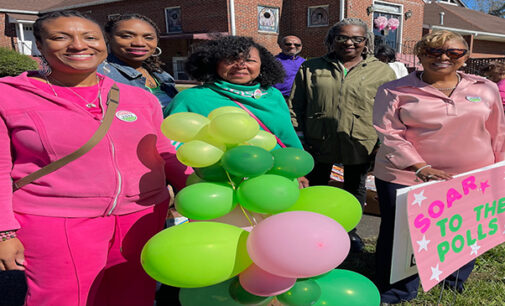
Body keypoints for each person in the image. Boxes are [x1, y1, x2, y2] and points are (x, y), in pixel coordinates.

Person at [0, 11, 190, 306]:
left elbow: (162, 150)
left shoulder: (139, 97)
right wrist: (3, 232)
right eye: (60, 37)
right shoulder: (9, 96)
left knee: (134, 296)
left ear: (103, 44)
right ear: (39, 44)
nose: (78, 45)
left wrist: (196, 185)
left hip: (142, 216)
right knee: (63, 299)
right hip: (56, 220)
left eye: (90, 37)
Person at [373, 30, 505, 304]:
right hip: (408, 176)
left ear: (465, 58)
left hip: (471, 178)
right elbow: (389, 133)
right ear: (420, 55)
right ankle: (398, 290)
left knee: (463, 230)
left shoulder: (485, 88)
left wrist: (499, 171)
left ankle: (453, 280)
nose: (443, 57)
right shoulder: (393, 89)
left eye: (453, 53)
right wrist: (420, 166)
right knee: (401, 237)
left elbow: (498, 132)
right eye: (433, 52)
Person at [288, 18, 396, 251]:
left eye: (357, 39)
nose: (349, 43)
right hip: (317, 142)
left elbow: (390, 111)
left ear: (366, 41)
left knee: (354, 189)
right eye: (342, 37)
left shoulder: (382, 71)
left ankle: (349, 231)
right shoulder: (312, 67)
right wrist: (300, 139)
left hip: (360, 143)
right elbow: (296, 104)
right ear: (332, 39)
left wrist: (381, 143)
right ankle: (314, 231)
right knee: (316, 187)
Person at [165, 36, 309, 188]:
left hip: (276, 179)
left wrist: (297, 171)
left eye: (250, 60)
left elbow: (286, 135)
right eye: (230, 59)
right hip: (220, 184)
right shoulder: (190, 98)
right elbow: (170, 145)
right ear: (214, 63)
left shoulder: (273, 95)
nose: (240, 65)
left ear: (262, 65)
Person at [98, 13, 178, 113]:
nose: (139, 43)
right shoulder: (100, 74)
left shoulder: (160, 74)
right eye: (127, 36)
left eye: (148, 37)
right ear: (109, 38)